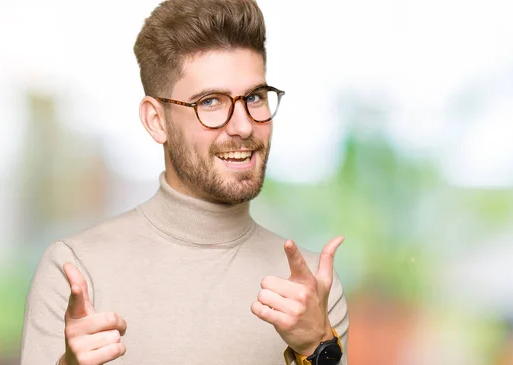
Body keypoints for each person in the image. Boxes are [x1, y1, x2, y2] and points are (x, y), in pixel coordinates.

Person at [19, 0, 350, 364]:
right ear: (156, 121)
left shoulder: (312, 290)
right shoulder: (76, 270)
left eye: (254, 97)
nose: (243, 126)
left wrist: (316, 347)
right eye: (210, 102)